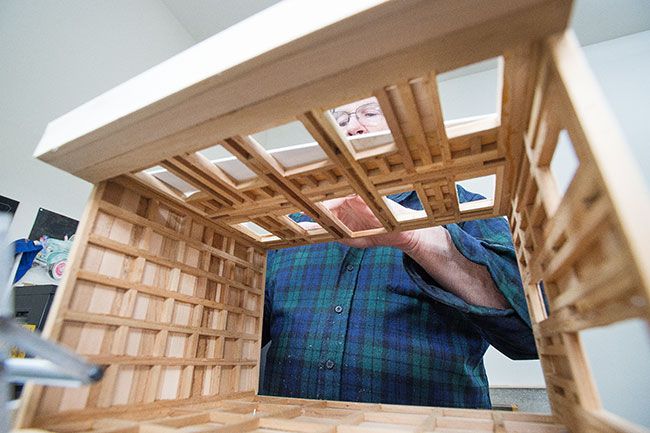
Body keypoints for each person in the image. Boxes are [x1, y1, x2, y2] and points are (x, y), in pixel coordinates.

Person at [260, 97, 537, 408]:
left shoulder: (465, 208)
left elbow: (531, 334)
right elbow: (246, 331)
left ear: (408, 131)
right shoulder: (296, 227)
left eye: (369, 113)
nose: (353, 126)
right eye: (340, 121)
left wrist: (414, 237)